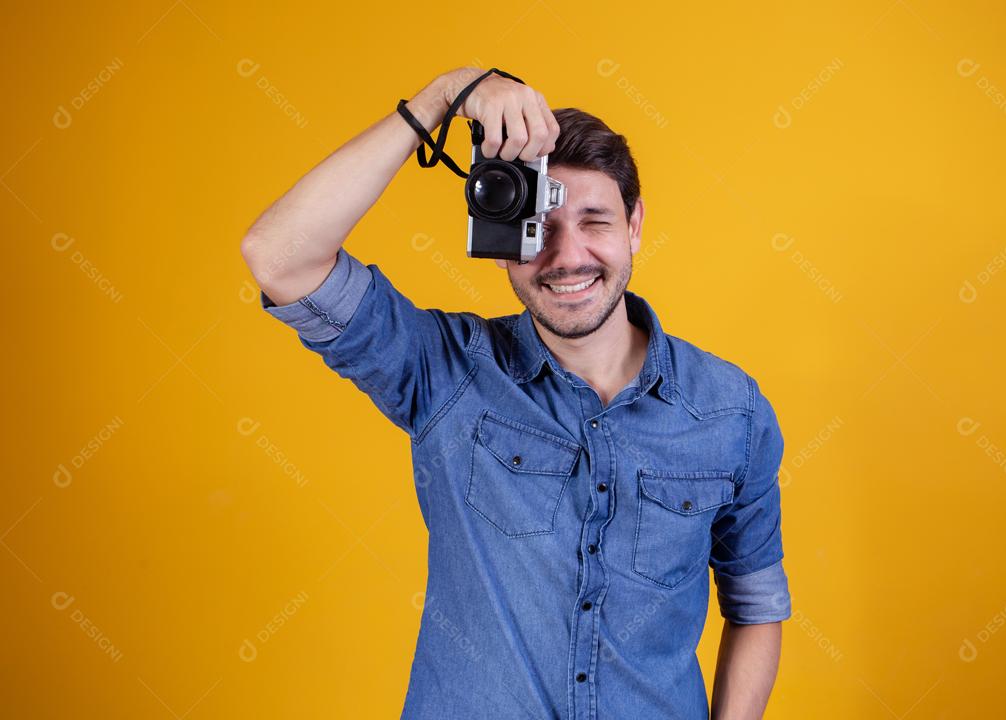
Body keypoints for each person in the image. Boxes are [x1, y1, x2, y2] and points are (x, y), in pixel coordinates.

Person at [241, 66, 792, 720]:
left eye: (596, 221)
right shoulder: (445, 373)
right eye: (538, 226)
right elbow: (278, 255)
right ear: (499, 237)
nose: (568, 256)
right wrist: (441, 98)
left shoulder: (732, 410)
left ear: (635, 225)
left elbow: (756, 606)